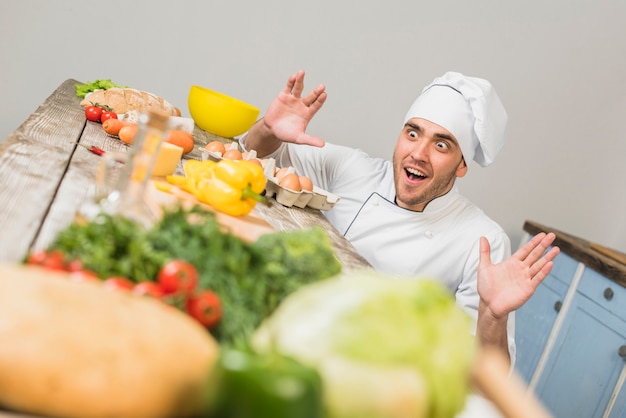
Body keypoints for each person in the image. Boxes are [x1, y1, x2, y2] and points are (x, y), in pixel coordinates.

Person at [241, 69, 559, 368]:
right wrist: (268, 130)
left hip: (366, 374)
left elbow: (486, 375)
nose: (418, 153)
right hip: (290, 328)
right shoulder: (353, 170)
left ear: (462, 166)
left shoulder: (482, 241)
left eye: (441, 144)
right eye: (412, 133)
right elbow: (254, 157)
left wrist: (492, 317)